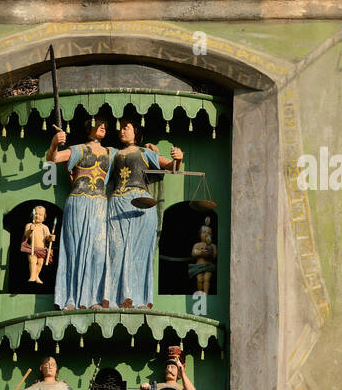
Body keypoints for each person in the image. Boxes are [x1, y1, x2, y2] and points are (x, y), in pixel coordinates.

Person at [105, 119, 183, 309]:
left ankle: (139, 298)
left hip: (141, 203)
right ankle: (113, 297)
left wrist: (178, 158)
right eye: (121, 128)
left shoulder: (144, 152)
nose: (122, 130)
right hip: (117, 203)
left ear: (136, 132)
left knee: (138, 251)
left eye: (127, 127)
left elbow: (171, 167)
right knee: (115, 250)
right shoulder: (113, 153)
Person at [46, 118, 113, 309]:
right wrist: (54, 143)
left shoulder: (111, 152)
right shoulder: (78, 149)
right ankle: (71, 299)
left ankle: (94, 298)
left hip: (100, 204)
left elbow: (130, 158)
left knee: (98, 252)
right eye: (98, 123)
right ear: (88, 126)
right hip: (78, 202)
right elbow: (53, 158)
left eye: (105, 125)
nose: (102, 126)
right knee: (74, 249)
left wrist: (150, 148)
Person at [20, 205, 55, 285]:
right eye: (36, 214)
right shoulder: (29, 225)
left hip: (42, 249)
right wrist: (30, 230)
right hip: (32, 248)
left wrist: (51, 238)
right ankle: (32, 276)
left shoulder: (45, 227)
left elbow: (47, 238)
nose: (38, 216)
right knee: (32, 261)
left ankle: (36, 275)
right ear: (33, 214)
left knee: (40, 263)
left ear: (44, 217)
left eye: (41, 215)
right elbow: (26, 235)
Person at [187, 221, 217, 295]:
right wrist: (200, 252)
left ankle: (206, 293)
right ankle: (200, 292)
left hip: (208, 266)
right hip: (198, 266)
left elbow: (215, 256)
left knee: (206, 279)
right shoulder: (197, 245)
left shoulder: (213, 246)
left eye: (209, 233)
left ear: (212, 235)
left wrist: (210, 253)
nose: (206, 234)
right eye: (204, 232)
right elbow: (193, 253)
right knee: (199, 279)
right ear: (200, 234)